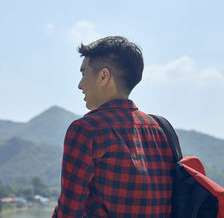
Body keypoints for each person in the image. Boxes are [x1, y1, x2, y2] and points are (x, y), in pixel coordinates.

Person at [53, 36, 176, 217]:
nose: (80, 85)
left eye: (84, 73)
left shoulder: (86, 130)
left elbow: (69, 211)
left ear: (104, 76)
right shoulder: (160, 130)